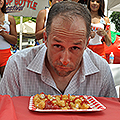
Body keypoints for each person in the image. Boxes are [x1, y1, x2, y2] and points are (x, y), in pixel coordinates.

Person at [0, 1, 117, 98]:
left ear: (86, 44)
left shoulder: (101, 70)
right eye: (57, 46)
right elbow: (5, 111)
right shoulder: (17, 65)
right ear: (45, 38)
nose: (64, 60)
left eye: (75, 48)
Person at [0, 0, 17, 78]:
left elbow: (14, 41)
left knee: (6, 84)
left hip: (5, 55)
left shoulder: (9, 18)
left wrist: (3, 34)